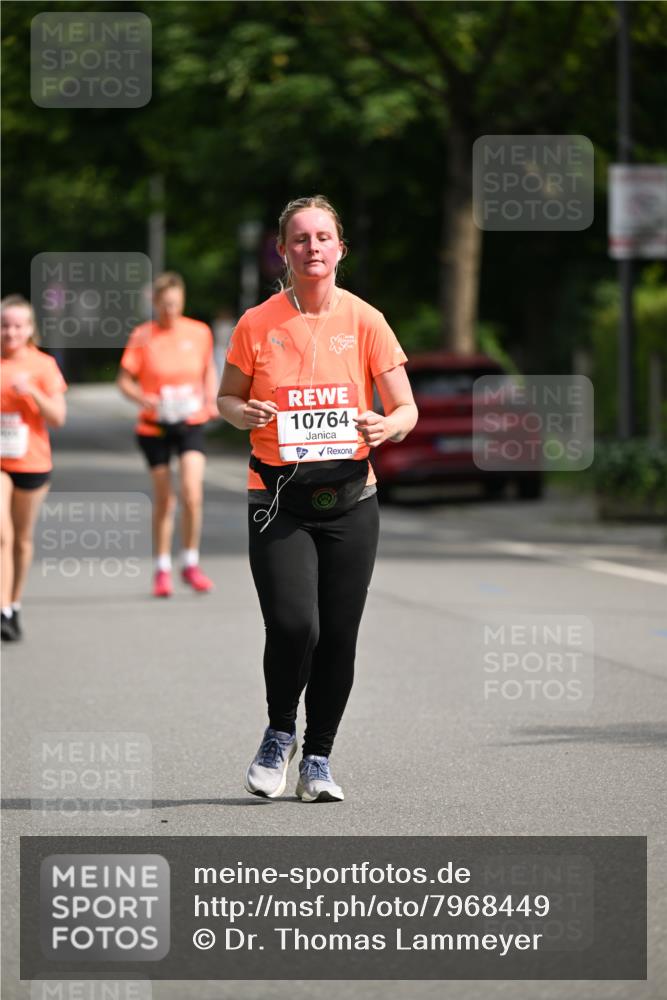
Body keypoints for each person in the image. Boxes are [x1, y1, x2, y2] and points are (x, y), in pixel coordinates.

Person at [218, 195, 418, 802]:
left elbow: (405, 406)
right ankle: (280, 733)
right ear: (283, 249)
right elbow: (225, 399)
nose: (312, 248)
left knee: (338, 635)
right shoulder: (257, 322)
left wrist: (388, 426)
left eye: (323, 237)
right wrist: (240, 412)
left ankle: (319, 758)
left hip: (352, 498)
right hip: (277, 496)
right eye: (300, 238)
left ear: (339, 249)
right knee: (292, 623)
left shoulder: (366, 321)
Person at [117, 272, 218, 598]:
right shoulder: (143, 335)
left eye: (175, 303)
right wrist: (141, 397)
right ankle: (162, 568)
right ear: (155, 303)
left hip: (189, 422)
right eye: (164, 304)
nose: (170, 310)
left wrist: (211, 398)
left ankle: (190, 562)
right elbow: (124, 380)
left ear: (182, 301)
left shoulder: (199, 332)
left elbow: (208, 370)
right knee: (165, 498)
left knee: (192, 492)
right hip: (154, 426)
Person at [1, 294, 67, 642]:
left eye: (17, 326)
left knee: (22, 539)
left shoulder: (42, 365)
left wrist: (32, 393)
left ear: (29, 329)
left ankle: (14, 604)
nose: (10, 332)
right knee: (2, 534)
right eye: (4, 325)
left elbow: (58, 417)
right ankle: (2, 608)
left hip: (32, 461)